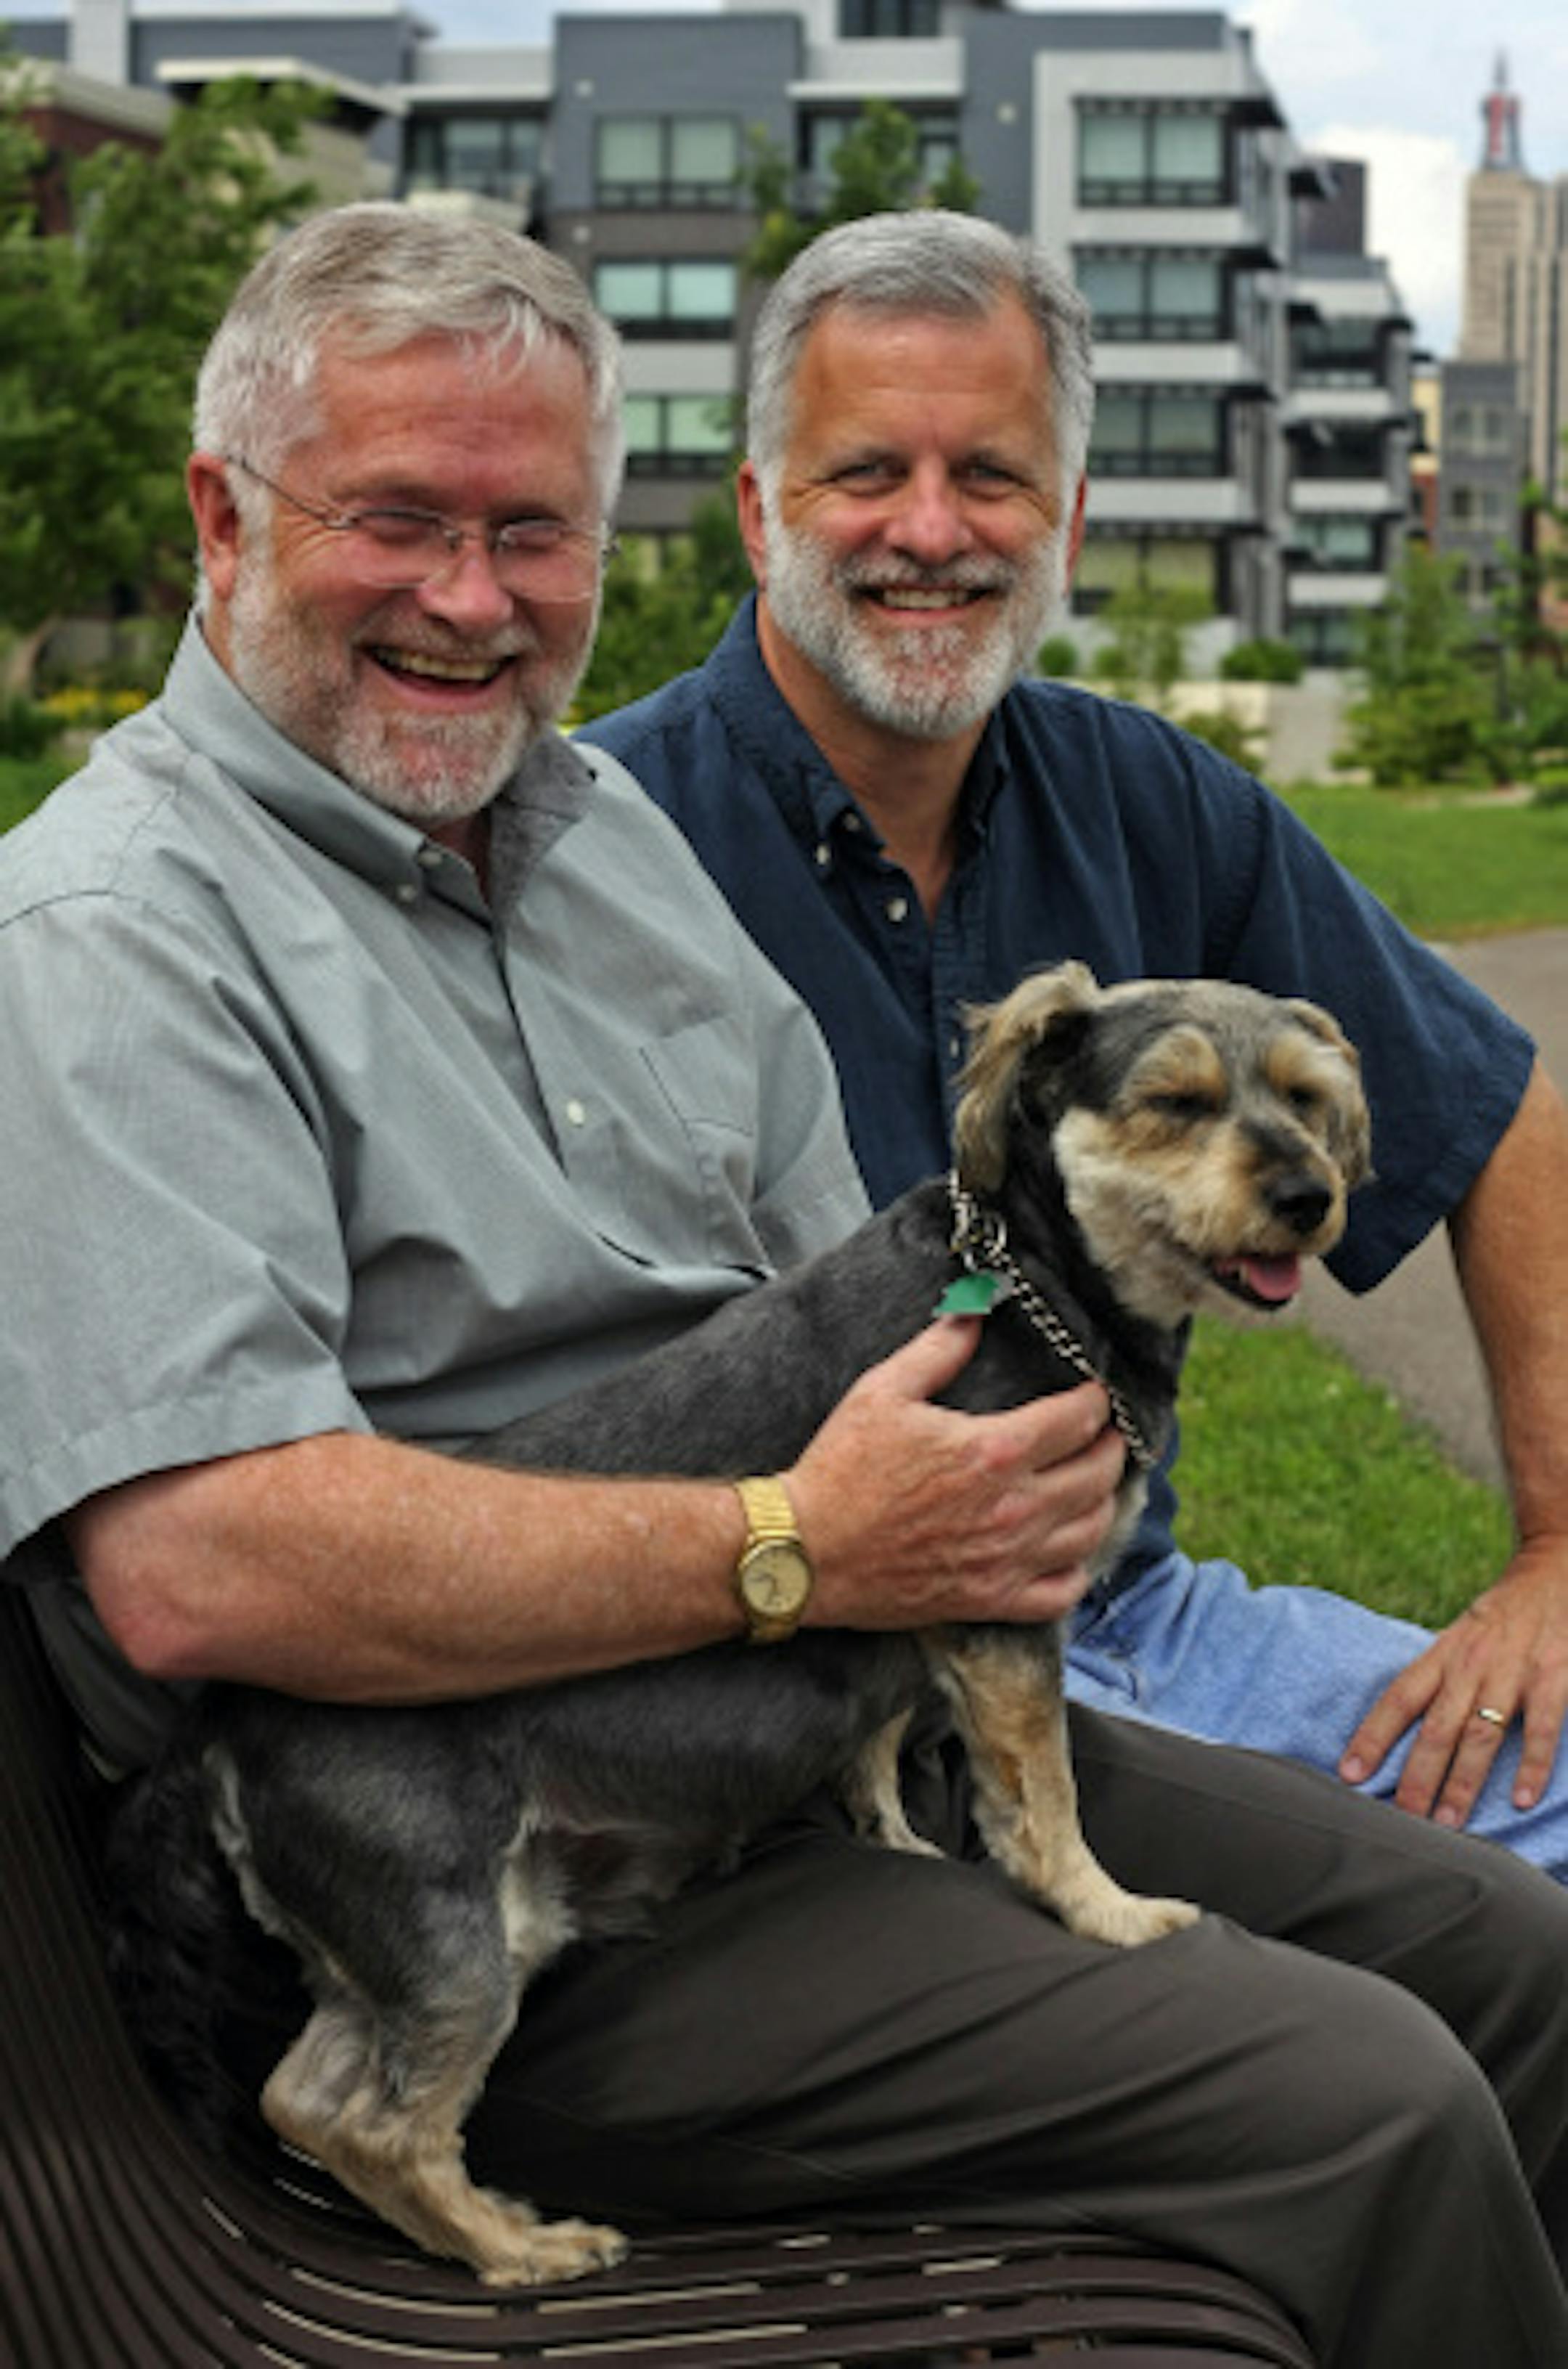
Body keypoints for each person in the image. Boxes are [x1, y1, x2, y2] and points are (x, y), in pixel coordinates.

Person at [1, 203, 1566, 2369]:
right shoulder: (113, 941)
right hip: (524, 1885)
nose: (473, 599)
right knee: (1365, 2111)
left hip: (845, 1736)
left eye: (532, 531)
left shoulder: (584, 837)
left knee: (1507, 1949)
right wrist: (788, 1548)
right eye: (398, 519)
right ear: (222, 512)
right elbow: (200, 1572)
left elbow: (884, 1299)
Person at [578, 208, 1568, 1877]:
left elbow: (1506, 1120)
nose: (931, 531)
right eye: (865, 472)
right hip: (789, 1693)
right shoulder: (592, 844)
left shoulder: (1154, 801)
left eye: (993, 478)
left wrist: (1556, 1558)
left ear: (1070, 521)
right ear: (758, 513)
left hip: (1136, 1625)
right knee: (1425, 1960)